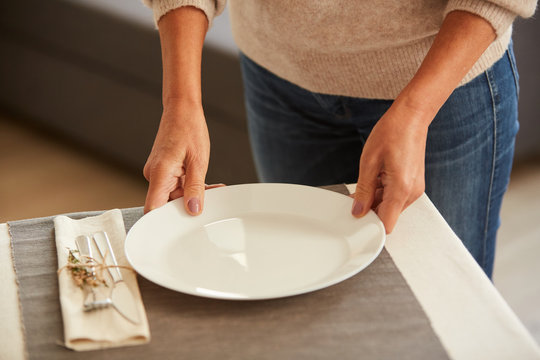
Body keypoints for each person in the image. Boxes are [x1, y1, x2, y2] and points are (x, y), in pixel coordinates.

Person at [141, 0, 537, 278]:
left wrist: (417, 112)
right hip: (278, 76)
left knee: (444, 303)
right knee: (299, 286)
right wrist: (180, 102)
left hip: (441, 90)